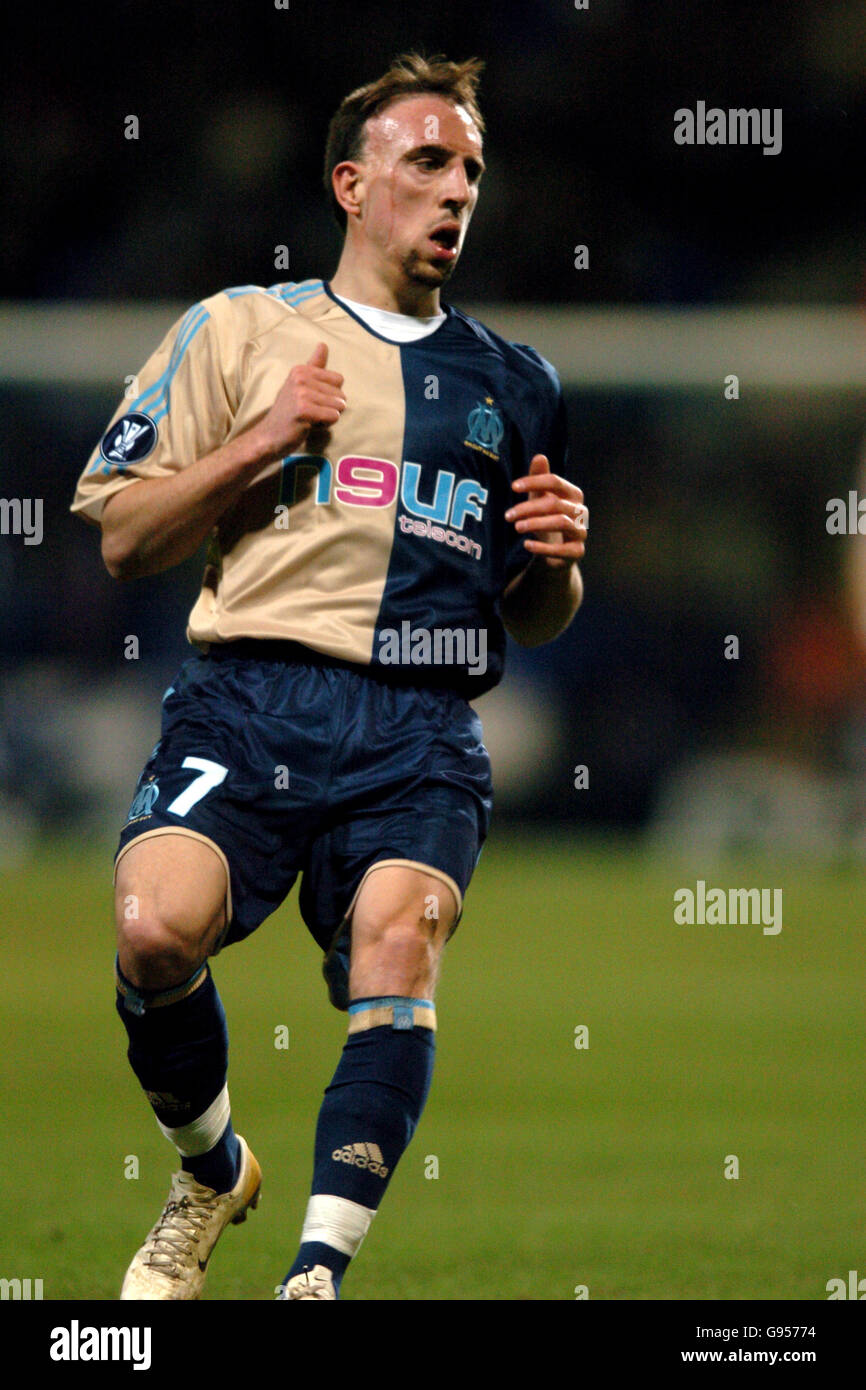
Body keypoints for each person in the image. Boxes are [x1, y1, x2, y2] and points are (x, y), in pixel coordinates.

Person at [71, 51, 588, 1301]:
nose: (456, 188)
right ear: (353, 185)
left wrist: (558, 566)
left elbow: (533, 614)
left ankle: (314, 1275)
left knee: (395, 946)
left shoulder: (516, 384)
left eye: (469, 167)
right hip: (246, 702)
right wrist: (260, 441)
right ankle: (209, 1170)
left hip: (419, 725)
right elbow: (125, 537)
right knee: (152, 931)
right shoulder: (240, 329)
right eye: (427, 161)